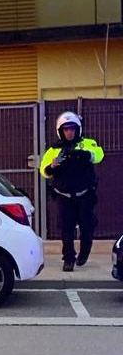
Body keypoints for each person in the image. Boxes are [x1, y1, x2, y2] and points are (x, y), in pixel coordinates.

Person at [39, 112, 105, 271]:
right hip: (64, 197)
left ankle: (84, 253)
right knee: (66, 229)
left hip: (85, 195)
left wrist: (86, 155)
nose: (69, 132)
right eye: (66, 129)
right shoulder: (54, 150)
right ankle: (68, 259)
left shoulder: (87, 143)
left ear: (77, 129)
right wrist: (52, 166)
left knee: (87, 226)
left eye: (72, 129)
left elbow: (99, 155)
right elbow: (43, 170)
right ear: (60, 131)